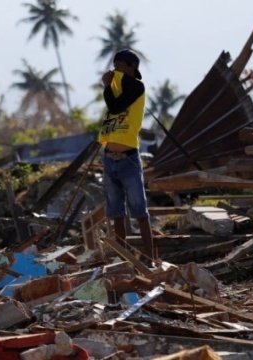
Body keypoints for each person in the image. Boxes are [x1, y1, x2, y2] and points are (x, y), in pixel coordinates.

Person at [98, 49, 154, 264]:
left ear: (131, 68)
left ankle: (149, 257)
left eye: (121, 65)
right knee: (116, 212)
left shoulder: (137, 87)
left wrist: (106, 86)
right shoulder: (116, 87)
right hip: (110, 158)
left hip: (128, 158)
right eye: (115, 64)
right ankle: (122, 257)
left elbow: (115, 106)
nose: (117, 69)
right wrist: (110, 86)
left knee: (139, 209)